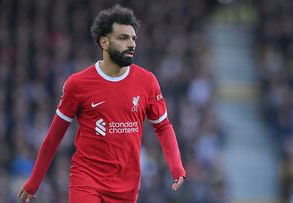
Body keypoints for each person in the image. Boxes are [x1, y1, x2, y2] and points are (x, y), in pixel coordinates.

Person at [17, 4, 186, 203]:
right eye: (123, 38)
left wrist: (176, 166)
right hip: (86, 179)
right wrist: (33, 183)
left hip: (127, 186)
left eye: (133, 38)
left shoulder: (147, 82)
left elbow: (163, 127)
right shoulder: (78, 84)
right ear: (104, 42)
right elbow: (54, 137)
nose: (131, 44)